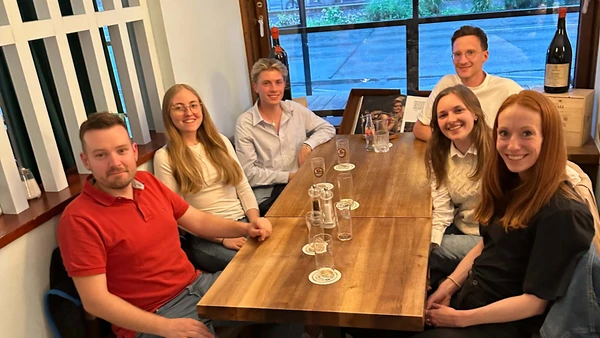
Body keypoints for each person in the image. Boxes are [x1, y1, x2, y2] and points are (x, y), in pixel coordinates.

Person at [57, 112, 272, 338]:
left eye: (121, 151)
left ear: (133, 151)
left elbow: (197, 220)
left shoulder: (148, 182)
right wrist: (166, 327)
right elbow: (95, 301)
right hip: (153, 317)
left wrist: (247, 228)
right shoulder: (78, 219)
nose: (115, 162)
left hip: (198, 286)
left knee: (281, 300)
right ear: (86, 161)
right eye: (101, 155)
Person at [417, 90, 594, 337]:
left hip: (501, 325)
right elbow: (486, 245)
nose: (512, 145)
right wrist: (448, 287)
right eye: (504, 133)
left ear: (549, 138)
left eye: (527, 133)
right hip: (473, 296)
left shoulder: (562, 213)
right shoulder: (511, 182)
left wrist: (460, 320)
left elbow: (535, 302)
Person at [154, 84, 269, 273]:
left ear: (201, 108)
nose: (188, 112)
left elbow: (242, 186)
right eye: (178, 107)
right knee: (255, 267)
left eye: (193, 105)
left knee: (280, 254)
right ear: (168, 115)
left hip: (242, 223)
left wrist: (254, 222)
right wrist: (224, 238)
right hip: (206, 239)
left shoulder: (220, 141)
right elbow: (177, 215)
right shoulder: (164, 157)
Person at [235, 58, 335, 215]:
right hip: (270, 193)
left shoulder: (294, 109)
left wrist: (308, 145)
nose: (274, 89)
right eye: (266, 83)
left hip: (303, 184)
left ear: (284, 85)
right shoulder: (245, 123)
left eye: (278, 82)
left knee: (338, 201)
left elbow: (327, 128)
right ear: (256, 87)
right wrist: (289, 176)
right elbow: (249, 173)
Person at [424, 84, 493, 288]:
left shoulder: (497, 148)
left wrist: (424, 257)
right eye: (443, 115)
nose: (451, 120)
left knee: (412, 253)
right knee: (420, 245)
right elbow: (442, 212)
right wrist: (428, 249)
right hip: (460, 230)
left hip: (490, 240)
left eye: (458, 110)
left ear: (475, 113)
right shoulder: (438, 155)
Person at [413, 25, 522, 141]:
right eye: (457, 54)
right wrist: (458, 146)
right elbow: (420, 128)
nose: (463, 61)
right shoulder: (447, 84)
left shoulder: (507, 89)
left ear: (485, 56)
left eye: (470, 53)